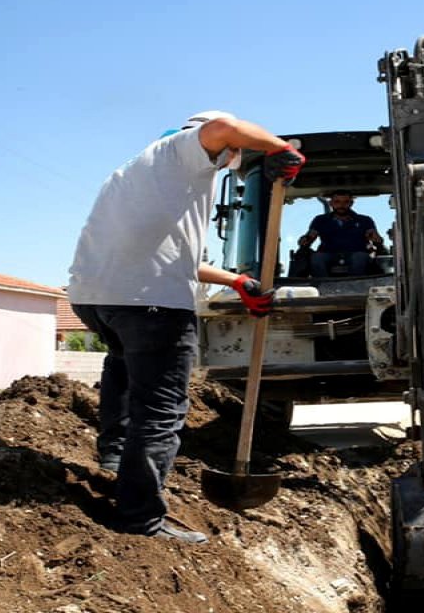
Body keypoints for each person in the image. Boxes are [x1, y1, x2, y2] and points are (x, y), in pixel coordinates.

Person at [67, 111, 305, 544]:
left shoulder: (136, 173)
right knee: (160, 412)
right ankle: (140, 519)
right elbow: (225, 126)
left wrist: (236, 281)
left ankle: (115, 457)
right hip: (150, 305)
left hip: (96, 298)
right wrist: (279, 148)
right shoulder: (185, 152)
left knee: (122, 361)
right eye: (235, 154)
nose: (234, 157)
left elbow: (171, 257)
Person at [297, 189, 385, 277]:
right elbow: (311, 236)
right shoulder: (320, 220)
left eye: (346, 202)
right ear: (331, 203)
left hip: (356, 253)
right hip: (328, 254)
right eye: (337, 202)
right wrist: (305, 240)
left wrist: (376, 239)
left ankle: (355, 286)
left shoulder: (364, 220)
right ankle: (323, 286)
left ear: (351, 203)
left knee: (360, 257)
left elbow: (375, 237)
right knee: (317, 258)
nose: (341, 205)